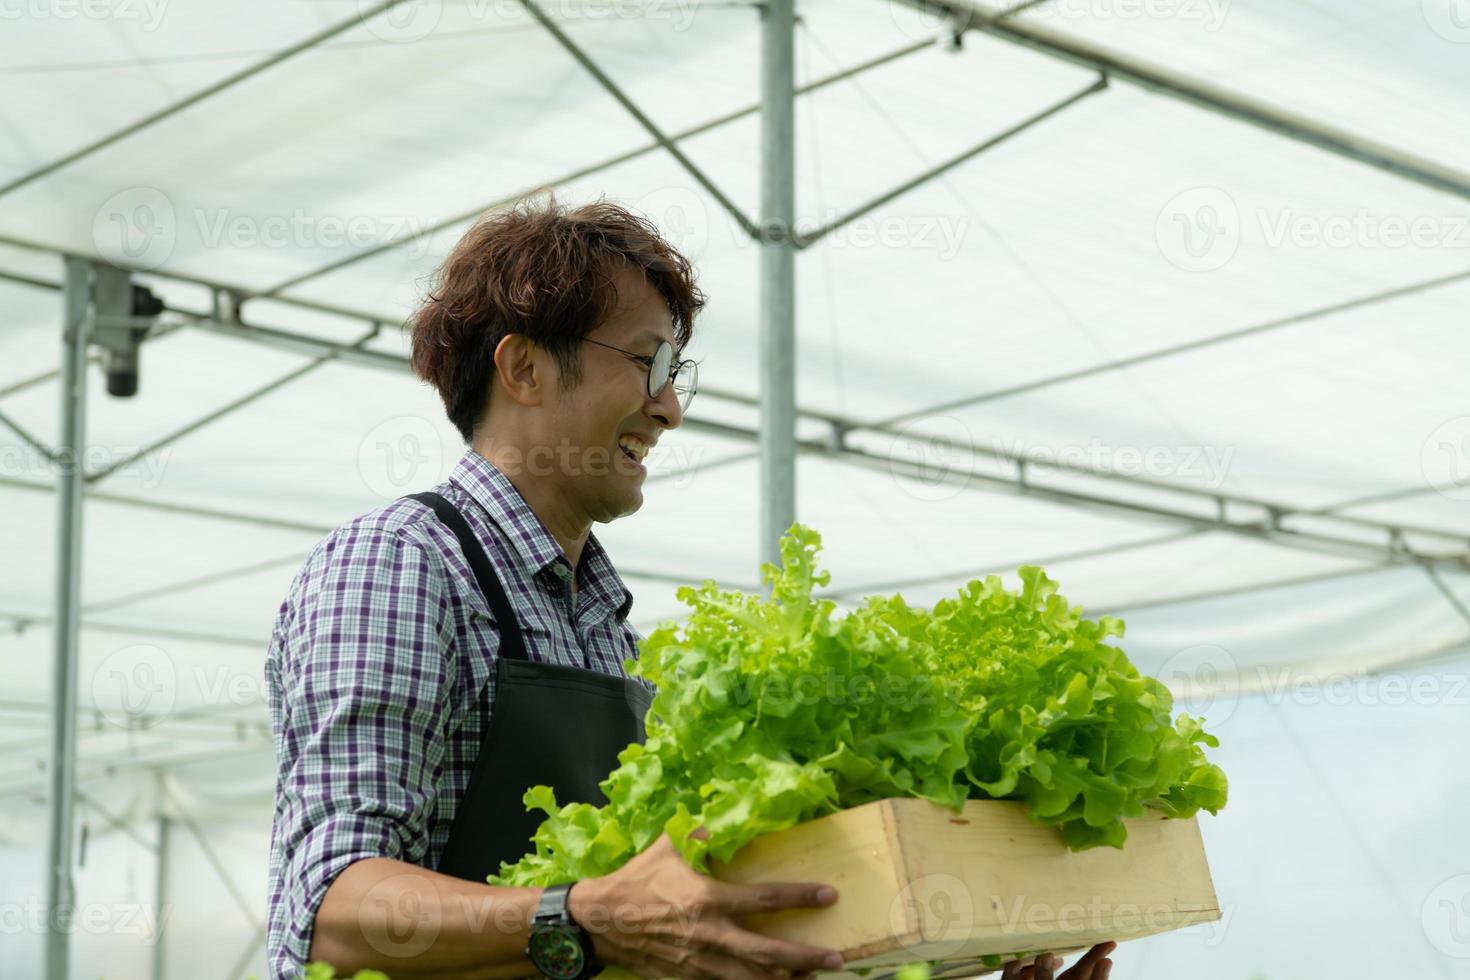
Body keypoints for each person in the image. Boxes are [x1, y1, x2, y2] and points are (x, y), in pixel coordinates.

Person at [263, 196, 1117, 980]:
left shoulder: (605, 622)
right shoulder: (401, 564)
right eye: (648, 362)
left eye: (677, 371)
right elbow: (330, 909)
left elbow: (662, 933)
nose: (670, 407)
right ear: (523, 368)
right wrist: (584, 916)